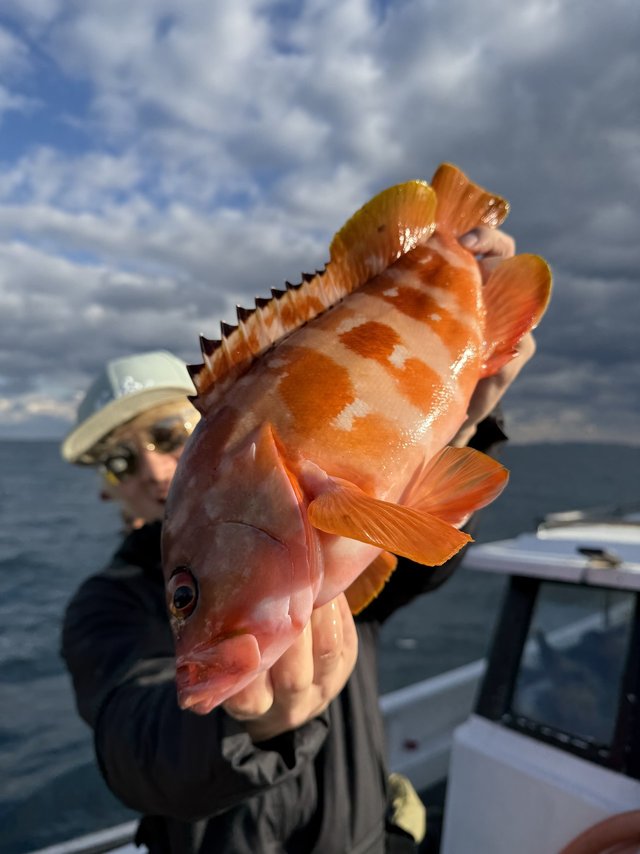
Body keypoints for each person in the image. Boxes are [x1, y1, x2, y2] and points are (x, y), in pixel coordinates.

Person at [60, 226, 535, 854]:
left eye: (168, 437)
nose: (150, 469)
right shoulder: (104, 604)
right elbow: (135, 752)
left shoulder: (309, 532)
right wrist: (250, 733)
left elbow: (415, 567)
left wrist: (458, 428)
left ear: (204, 431)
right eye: (120, 461)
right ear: (106, 489)